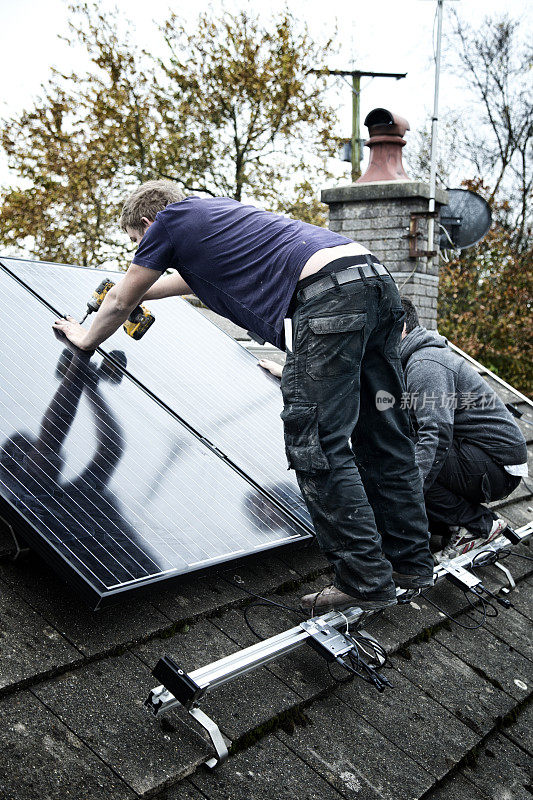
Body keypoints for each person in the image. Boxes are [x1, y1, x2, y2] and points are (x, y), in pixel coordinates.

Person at [53, 180, 434, 612]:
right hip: (374, 283)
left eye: (138, 243)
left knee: (317, 443)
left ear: (147, 223)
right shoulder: (218, 220)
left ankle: (365, 580)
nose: (141, 253)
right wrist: (126, 290)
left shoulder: (169, 222)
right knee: (384, 437)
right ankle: (410, 564)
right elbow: (173, 287)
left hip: (329, 297)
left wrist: (86, 338)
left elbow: (122, 301)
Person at [398, 297, 527, 561]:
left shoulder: (426, 363)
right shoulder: (414, 358)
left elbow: (435, 437)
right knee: (401, 449)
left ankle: (477, 526)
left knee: (401, 464)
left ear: (400, 328)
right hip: (483, 457)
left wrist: (406, 499)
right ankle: (450, 523)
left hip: (497, 465)